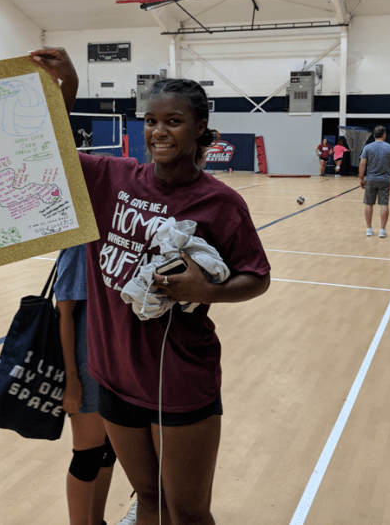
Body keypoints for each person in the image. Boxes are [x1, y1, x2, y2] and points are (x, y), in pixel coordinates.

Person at [31, 47, 272, 525]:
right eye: (151, 121)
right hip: (113, 372)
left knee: (187, 511)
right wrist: (69, 88)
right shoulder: (113, 179)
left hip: (178, 378)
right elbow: (48, 150)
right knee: (148, 498)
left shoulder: (220, 202)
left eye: (174, 122)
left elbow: (256, 278)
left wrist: (207, 292)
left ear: (200, 127)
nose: (159, 132)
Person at [55, 244, 116, 525]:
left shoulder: (120, 225)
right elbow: (64, 311)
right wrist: (71, 380)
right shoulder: (81, 243)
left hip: (116, 362)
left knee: (108, 451)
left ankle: (97, 521)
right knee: (88, 454)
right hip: (86, 366)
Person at [358, 126, 390, 238]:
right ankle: (382, 230)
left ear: (374, 135)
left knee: (369, 204)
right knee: (384, 204)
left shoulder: (367, 147)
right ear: (384, 135)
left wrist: (361, 178)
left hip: (370, 179)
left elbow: (362, 164)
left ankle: (369, 229)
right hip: (385, 179)